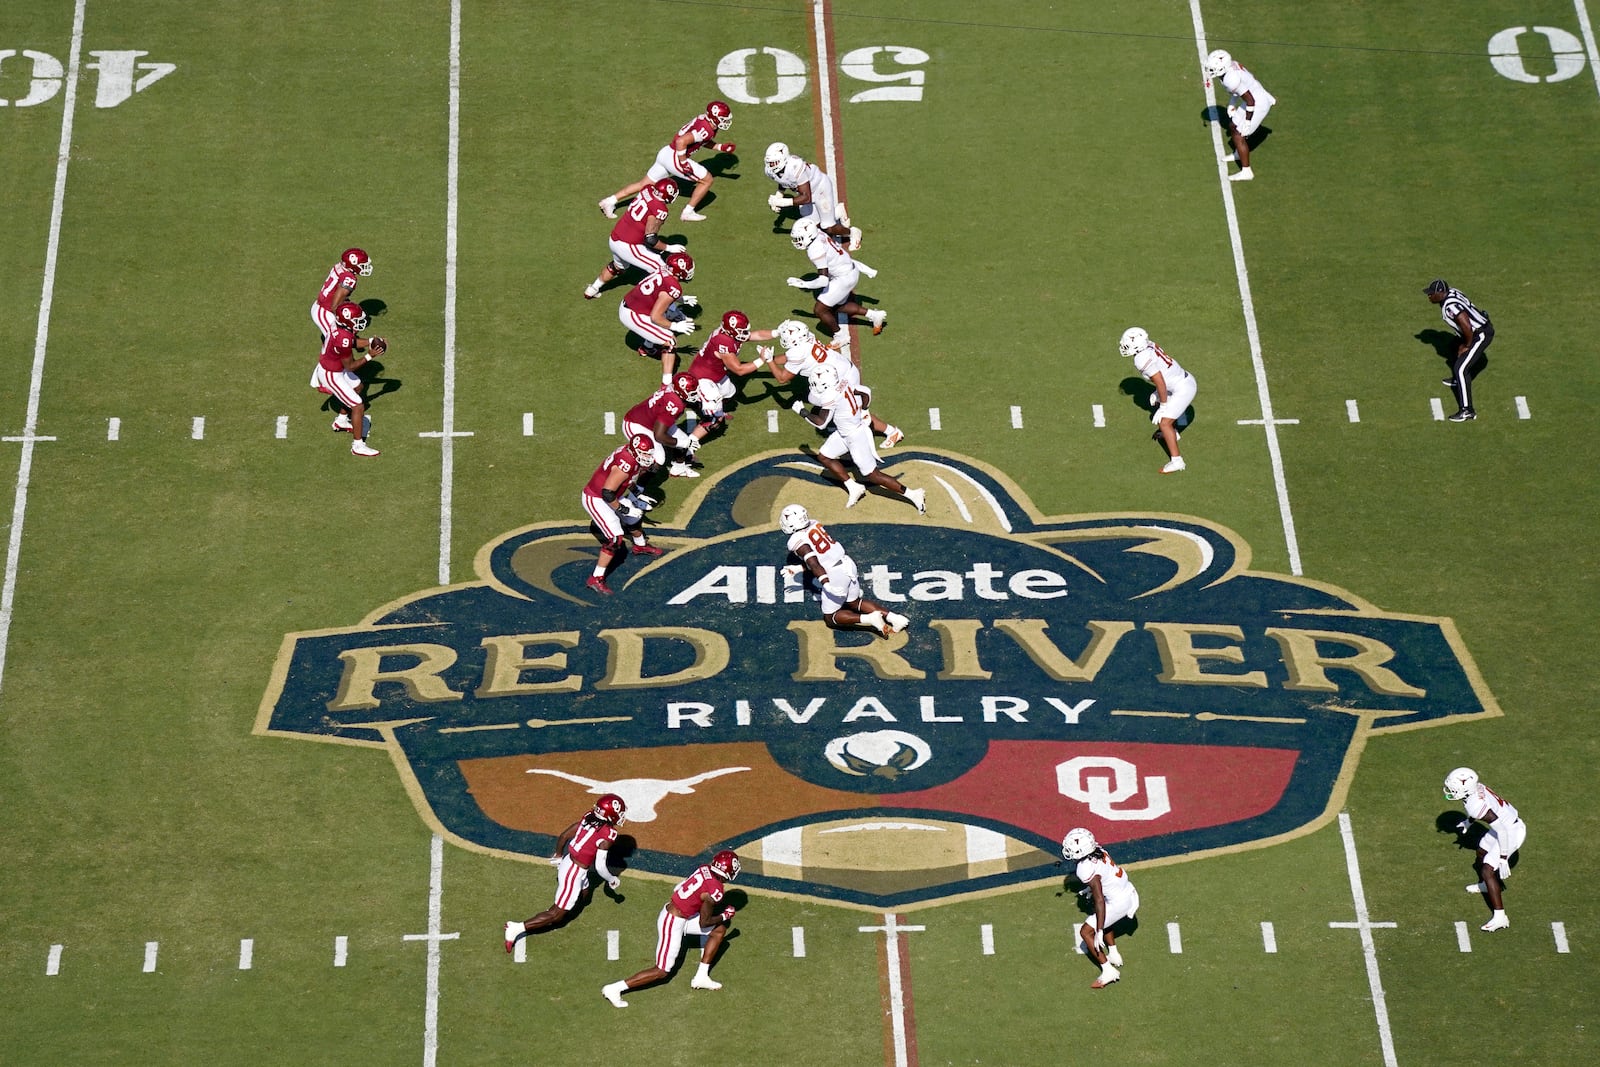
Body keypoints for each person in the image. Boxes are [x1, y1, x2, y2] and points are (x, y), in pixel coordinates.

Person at [602, 850, 743, 1007]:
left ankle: (701, 976)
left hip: (679, 915)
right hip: (673, 922)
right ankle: (614, 988)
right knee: (662, 971)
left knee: (719, 930)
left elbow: (678, 888)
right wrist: (725, 915)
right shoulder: (715, 890)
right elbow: (705, 922)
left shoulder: (704, 868)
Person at [503, 794, 627, 952]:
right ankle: (516, 928)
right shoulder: (608, 834)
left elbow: (565, 835)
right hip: (574, 872)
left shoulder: (589, 816)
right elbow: (601, 867)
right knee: (557, 915)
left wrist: (558, 854)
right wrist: (611, 879)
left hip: (569, 862)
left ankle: (561, 906)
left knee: (585, 892)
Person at [792, 366, 924, 514]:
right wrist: (865, 409)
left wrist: (802, 412)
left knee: (873, 476)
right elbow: (866, 391)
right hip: (844, 433)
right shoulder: (842, 382)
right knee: (824, 456)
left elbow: (821, 423)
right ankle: (854, 487)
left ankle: (913, 494)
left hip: (856, 437)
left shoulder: (830, 396)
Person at [779, 503, 911, 637]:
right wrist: (798, 568)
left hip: (835, 574)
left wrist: (826, 583)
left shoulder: (796, 540)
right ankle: (896, 619)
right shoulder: (814, 524)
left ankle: (870, 619)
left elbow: (814, 563)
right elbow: (822, 556)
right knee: (854, 602)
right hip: (847, 563)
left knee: (830, 617)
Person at [770, 318, 903, 448]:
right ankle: (855, 414)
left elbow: (782, 378)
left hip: (842, 378)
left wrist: (769, 360)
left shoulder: (798, 352)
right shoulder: (807, 338)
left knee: (852, 413)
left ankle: (891, 432)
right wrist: (769, 359)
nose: (785, 340)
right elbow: (789, 358)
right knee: (818, 398)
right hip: (844, 369)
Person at [599, 101, 736, 223]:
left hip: (666, 153)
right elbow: (681, 141)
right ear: (714, 117)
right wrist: (683, 162)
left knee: (643, 184)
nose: (725, 121)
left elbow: (700, 140)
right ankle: (688, 212)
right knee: (707, 180)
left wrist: (720, 147)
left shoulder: (704, 122)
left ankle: (609, 201)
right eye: (722, 118)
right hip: (676, 156)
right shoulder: (706, 129)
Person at [581, 433, 667, 595]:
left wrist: (636, 494)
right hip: (596, 498)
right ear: (635, 451)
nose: (648, 458)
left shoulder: (631, 457)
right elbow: (607, 493)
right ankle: (595, 578)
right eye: (645, 454)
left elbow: (627, 481)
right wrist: (623, 509)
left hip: (611, 495)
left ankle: (640, 545)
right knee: (615, 539)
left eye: (649, 454)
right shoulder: (626, 463)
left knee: (635, 516)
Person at [1443, 767, 1526, 932]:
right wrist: (1469, 822)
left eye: (1455, 789)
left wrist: (1503, 858)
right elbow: (1480, 809)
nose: (1451, 791)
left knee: (1488, 869)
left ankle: (1500, 917)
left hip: (1511, 831)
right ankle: (1486, 885)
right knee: (1481, 852)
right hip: (1504, 825)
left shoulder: (1476, 803)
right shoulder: (1475, 789)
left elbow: (1501, 830)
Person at [1060, 828, 1140, 989]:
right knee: (1103, 916)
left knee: (1086, 932)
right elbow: (1106, 874)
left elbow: (1099, 900)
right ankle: (1114, 954)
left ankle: (1108, 970)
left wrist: (1099, 930)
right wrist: (1090, 889)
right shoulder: (1099, 850)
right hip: (1127, 890)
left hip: (1119, 902)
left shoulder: (1084, 868)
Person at [584, 178, 686, 299]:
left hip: (615, 238)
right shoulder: (660, 209)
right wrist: (669, 248)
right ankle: (669, 308)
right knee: (661, 270)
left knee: (618, 267)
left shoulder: (647, 190)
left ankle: (592, 289)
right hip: (628, 245)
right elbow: (651, 239)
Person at [786, 218, 887, 337]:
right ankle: (874, 315)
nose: (797, 241)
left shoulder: (815, 249)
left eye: (800, 238)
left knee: (820, 310)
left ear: (809, 236)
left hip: (844, 278)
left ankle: (840, 337)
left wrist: (804, 284)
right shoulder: (818, 233)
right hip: (850, 268)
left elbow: (823, 281)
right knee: (838, 306)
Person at [310, 302, 385, 458]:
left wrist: (370, 340)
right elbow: (350, 366)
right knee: (358, 405)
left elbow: (352, 341)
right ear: (347, 321)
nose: (359, 322)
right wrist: (370, 355)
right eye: (356, 319)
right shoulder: (343, 338)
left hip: (335, 367)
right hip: (331, 373)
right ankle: (358, 446)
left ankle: (341, 420)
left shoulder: (339, 326)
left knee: (358, 387)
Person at [1119, 326, 1196, 474]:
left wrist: (1163, 406)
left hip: (1183, 388)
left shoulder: (1141, 359)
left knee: (1164, 423)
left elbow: (1160, 382)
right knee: (1160, 407)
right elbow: (1164, 372)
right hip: (1181, 380)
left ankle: (1177, 461)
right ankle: (1172, 434)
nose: (1124, 346)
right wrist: (1158, 393)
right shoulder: (1148, 345)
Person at [684, 310, 779, 423]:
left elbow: (756, 335)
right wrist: (762, 359)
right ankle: (696, 405)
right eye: (742, 330)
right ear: (732, 330)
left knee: (730, 392)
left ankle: (706, 404)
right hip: (702, 377)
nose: (745, 332)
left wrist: (778, 332)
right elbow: (739, 370)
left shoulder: (729, 333)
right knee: (714, 419)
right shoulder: (723, 342)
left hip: (716, 372)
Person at [618, 252, 698, 381]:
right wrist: (675, 326)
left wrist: (681, 299)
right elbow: (655, 317)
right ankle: (666, 385)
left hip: (633, 305)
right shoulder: (674, 287)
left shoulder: (662, 269)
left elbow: (659, 290)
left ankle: (647, 348)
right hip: (633, 314)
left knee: (665, 314)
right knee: (670, 341)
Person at [763, 142, 860, 247]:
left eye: (774, 162)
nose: (771, 166)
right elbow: (783, 180)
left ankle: (853, 233)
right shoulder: (770, 171)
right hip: (806, 193)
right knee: (814, 227)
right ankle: (837, 212)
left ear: (784, 159)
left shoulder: (795, 166)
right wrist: (779, 194)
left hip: (820, 189)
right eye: (769, 163)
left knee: (828, 227)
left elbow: (806, 197)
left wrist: (782, 202)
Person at [1424, 279, 1494, 422]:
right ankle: (1458, 381)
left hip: (1479, 334)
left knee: (1461, 369)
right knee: (1452, 346)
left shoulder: (1450, 306)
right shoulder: (1452, 292)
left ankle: (1467, 411)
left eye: (1432, 294)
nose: (1429, 296)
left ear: (1440, 293)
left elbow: (1466, 325)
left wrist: (1467, 345)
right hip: (1477, 328)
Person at [1203, 50, 1276, 182]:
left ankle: (1246, 171)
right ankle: (1238, 153)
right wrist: (1232, 103)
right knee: (1232, 126)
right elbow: (1240, 89)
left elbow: (1250, 101)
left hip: (1258, 103)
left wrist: (1247, 122)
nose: (1211, 70)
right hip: (1254, 96)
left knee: (1238, 134)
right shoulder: (1229, 70)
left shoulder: (1230, 78)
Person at [622, 373, 704, 479]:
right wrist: (684, 443)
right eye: (691, 393)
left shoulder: (673, 391)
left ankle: (679, 468)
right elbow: (659, 436)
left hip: (653, 420)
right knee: (658, 458)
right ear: (680, 392)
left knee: (682, 439)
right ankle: (637, 490)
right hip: (637, 423)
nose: (695, 395)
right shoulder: (674, 404)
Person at [311, 248, 373, 340]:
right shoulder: (349, 279)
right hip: (325, 311)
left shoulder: (340, 266)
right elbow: (334, 306)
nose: (364, 267)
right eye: (362, 265)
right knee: (339, 341)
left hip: (322, 306)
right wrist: (346, 322)